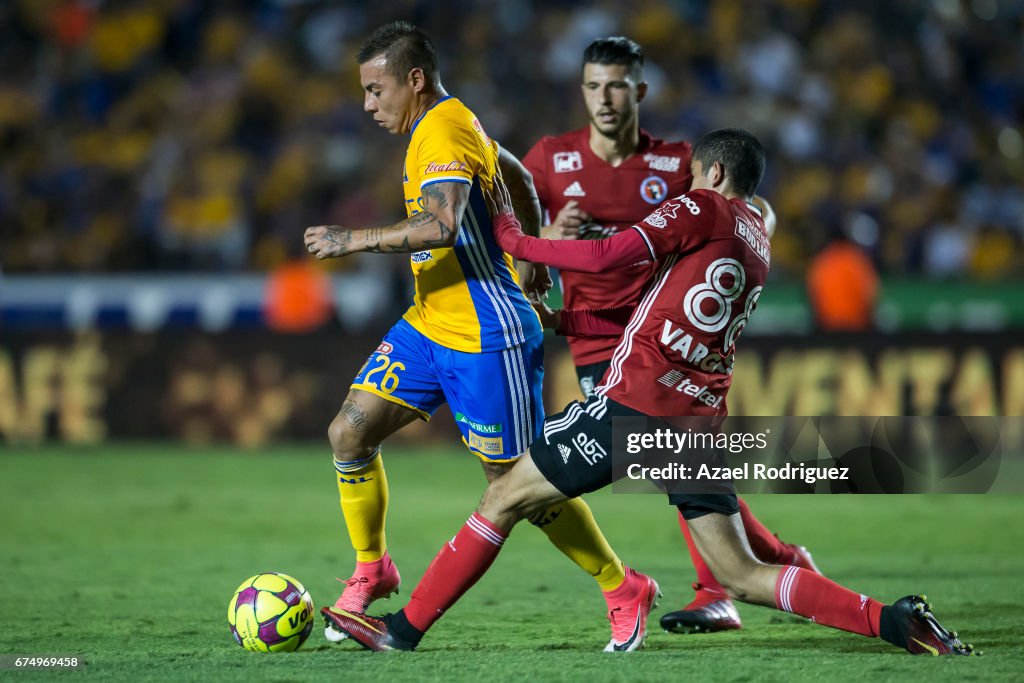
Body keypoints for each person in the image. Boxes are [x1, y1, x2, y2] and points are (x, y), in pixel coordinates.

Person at [322, 129, 975, 657]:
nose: (686, 187)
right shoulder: (756, 237)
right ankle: (894, 621)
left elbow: (613, 259)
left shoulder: (706, 205)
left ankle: (400, 631)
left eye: (693, 176)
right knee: (741, 573)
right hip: (694, 420)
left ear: (713, 175)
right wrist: (569, 321)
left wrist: (519, 241)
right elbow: (664, 305)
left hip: (635, 406)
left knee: (504, 494)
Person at [304, 21, 657, 651]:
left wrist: (350, 239)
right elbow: (514, 171)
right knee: (348, 431)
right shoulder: (446, 123)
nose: (368, 104)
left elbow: (440, 226)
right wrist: (539, 256)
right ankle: (371, 569)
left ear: (413, 80)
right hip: (428, 322)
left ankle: (622, 585)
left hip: (485, 333)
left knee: (517, 484)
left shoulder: (438, 128)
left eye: (375, 89)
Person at [522, 36, 814, 634]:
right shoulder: (550, 158)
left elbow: (752, 207)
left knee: (675, 461)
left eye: (618, 85)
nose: (605, 98)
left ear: (640, 91)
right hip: (595, 338)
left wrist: (751, 242)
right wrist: (549, 229)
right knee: (676, 463)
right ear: (581, 91)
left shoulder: (679, 162)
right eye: (594, 86)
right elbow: (525, 241)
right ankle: (775, 562)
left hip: (657, 337)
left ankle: (725, 586)